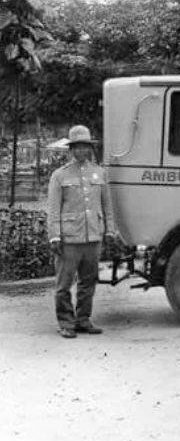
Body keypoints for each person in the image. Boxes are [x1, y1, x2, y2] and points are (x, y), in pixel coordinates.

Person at [46, 125, 119, 339]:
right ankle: (66, 323)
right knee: (64, 285)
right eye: (76, 147)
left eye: (84, 147)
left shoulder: (99, 173)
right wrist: (55, 235)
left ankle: (83, 320)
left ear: (89, 148)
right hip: (69, 239)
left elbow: (107, 206)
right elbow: (53, 209)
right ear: (71, 149)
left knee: (89, 281)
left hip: (93, 237)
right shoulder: (59, 176)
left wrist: (111, 231)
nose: (80, 151)